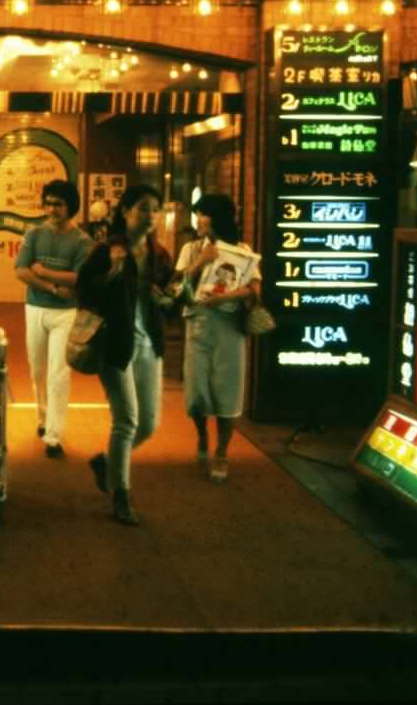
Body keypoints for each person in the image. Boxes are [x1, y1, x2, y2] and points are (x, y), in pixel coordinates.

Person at [75, 184, 175, 525]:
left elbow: (170, 299)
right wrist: (113, 274)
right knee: (127, 419)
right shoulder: (106, 251)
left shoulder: (160, 255)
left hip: (149, 344)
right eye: (144, 208)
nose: (151, 215)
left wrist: (168, 299)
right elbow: (84, 292)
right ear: (126, 211)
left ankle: (106, 461)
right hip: (114, 344)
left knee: (149, 424)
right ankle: (121, 495)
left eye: (155, 209)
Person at [174, 193, 260, 483]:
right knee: (197, 391)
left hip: (229, 327)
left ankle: (222, 452)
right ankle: (201, 435)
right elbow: (177, 289)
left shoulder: (242, 250)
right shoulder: (191, 248)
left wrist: (225, 296)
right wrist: (200, 262)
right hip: (198, 325)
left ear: (218, 218)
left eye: (203, 215)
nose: (198, 220)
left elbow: (254, 290)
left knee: (228, 389)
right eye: (197, 215)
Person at [14, 179, 91, 458]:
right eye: (48, 202)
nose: (52, 208)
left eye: (58, 203)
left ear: (70, 206)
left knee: (59, 373)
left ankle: (54, 436)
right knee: (37, 369)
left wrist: (43, 271)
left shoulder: (82, 241)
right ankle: (42, 418)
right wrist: (51, 287)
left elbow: (80, 277)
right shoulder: (33, 234)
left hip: (66, 313)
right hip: (35, 308)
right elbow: (21, 270)